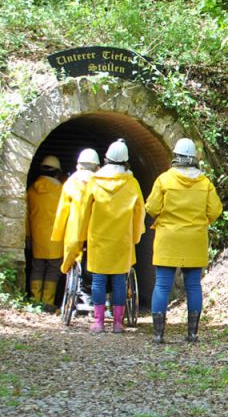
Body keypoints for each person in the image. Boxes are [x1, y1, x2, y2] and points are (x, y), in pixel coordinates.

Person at [145, 138, 222, 344]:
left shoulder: (164, 180)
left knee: (162, 285)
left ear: (175, 156)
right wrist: (200, 222)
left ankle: (159, 334)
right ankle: (192, 333)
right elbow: (215, 210)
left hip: (168, 238)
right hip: (194, 239)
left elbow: (152, 207)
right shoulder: (205, 183)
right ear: (194, 158)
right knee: (194, 286)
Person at [71, 139, 145, 334]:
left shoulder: (95, 181)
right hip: (122, 239)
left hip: (98, 238)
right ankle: (118, 323)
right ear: (126, 161)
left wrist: (80, 236)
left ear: (105, 159)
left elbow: (84, 210)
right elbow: (140, 212)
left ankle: (98, 322)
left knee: (98, 280)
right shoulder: (132, 183)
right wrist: (136, 236)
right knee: (120, 280)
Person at [52, 148, 101, 309]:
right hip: (97, 230)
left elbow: (62, 210)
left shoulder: (71, 182)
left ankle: (77, 293)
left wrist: (57, 234)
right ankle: (95, 295)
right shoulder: (101, 182)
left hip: (75, 229)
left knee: (74, 261)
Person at [26, 155, 64, 311]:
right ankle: (48, 303)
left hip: (37, 238)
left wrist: (28, 235)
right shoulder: (60, 191)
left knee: (37, 268)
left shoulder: (31, 190)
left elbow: (25, 215)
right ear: (57, 172)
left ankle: (35, 300)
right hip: (56, 239)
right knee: (53, 270)